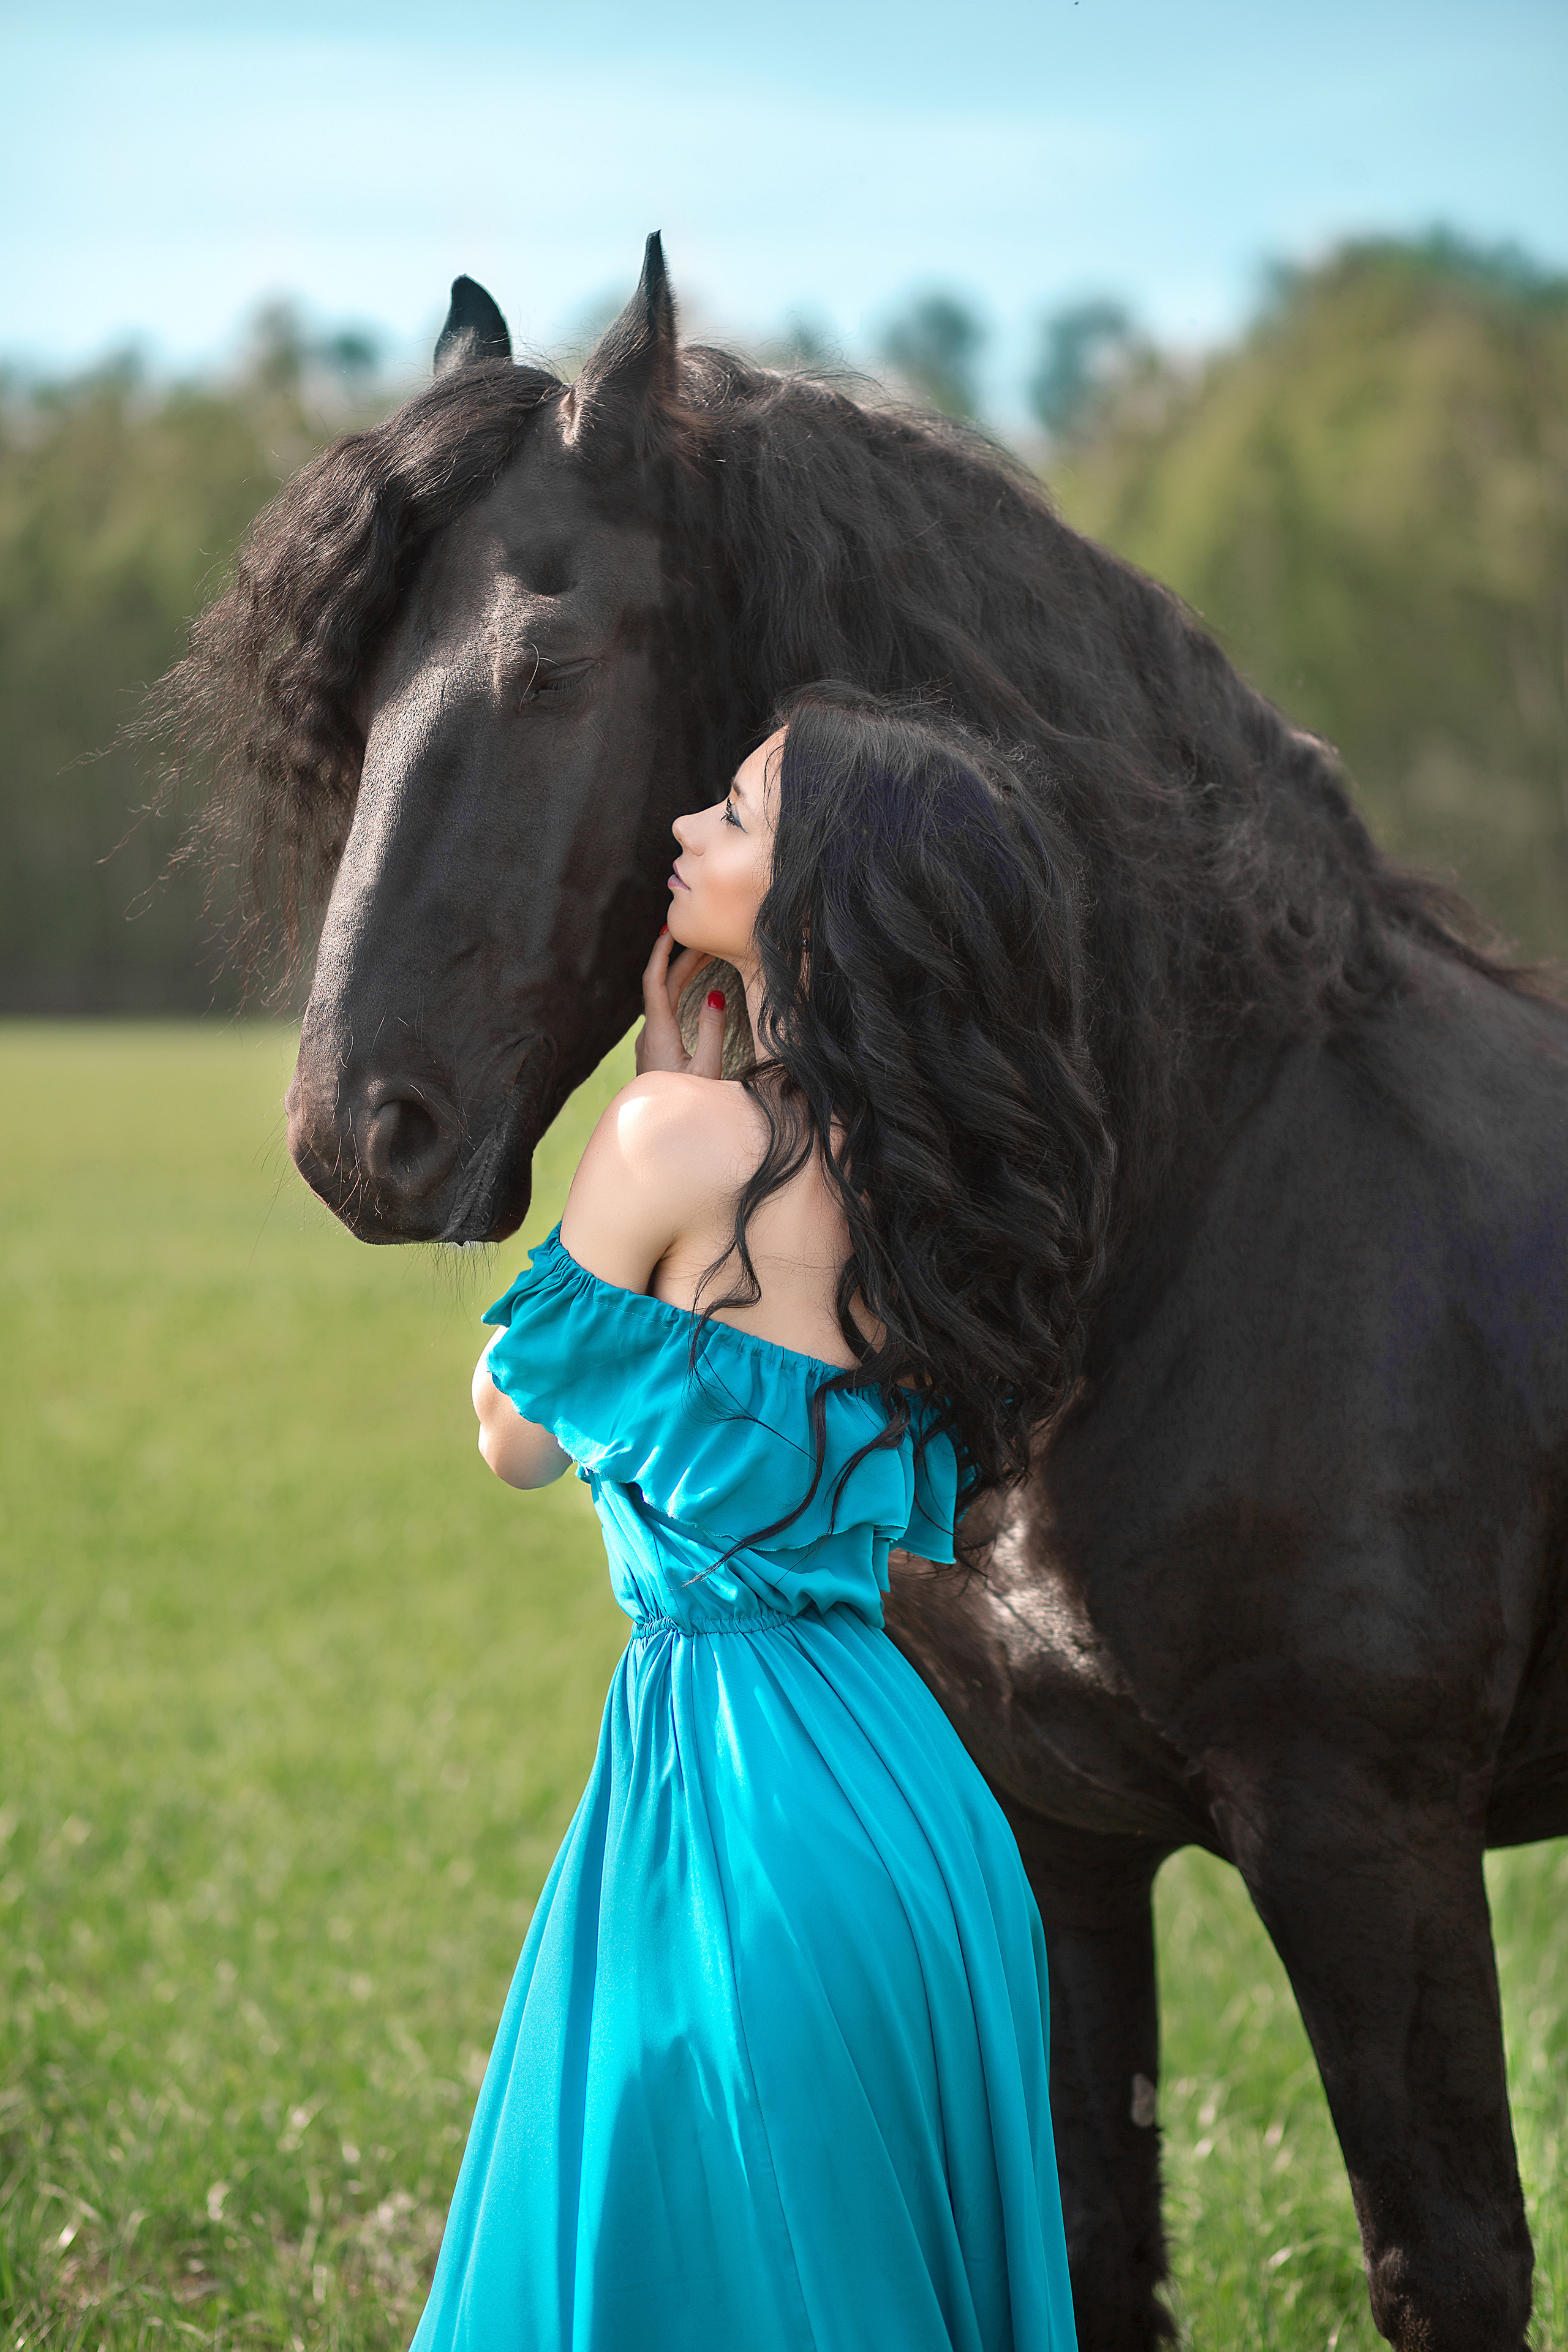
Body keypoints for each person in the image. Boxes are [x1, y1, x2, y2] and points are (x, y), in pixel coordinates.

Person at [409, 682, 1107, 2352]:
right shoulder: (940, 1181)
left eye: (730, 817)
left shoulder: (669, 1139)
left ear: (816, 895)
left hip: (732, 1804)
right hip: (923, 1823)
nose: (682, 831)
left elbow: (513, 1434)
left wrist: (646, 1109)